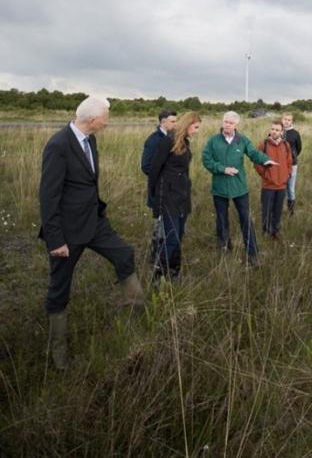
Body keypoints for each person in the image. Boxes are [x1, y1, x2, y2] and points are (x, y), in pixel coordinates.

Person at [38, 96, 144, 370]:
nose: (108, 120)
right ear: (93, 119)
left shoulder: (91, 139)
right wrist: (55, 239)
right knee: (59, 288)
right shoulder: (59, 145)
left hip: (95, 222)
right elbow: (48, 197)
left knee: (124, 254)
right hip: (67, 231)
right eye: (106, 116)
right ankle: (58, 353)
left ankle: (136, 313)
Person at [202, 111, 276, 266]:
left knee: (245, 218)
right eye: (225, 122)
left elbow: (254, 154)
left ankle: (252, 253)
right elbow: (206, 159)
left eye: (230, 123)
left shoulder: (242, 141)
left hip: (239, 187)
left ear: (236, 125)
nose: (227, 125)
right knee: (222, 219)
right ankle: (225, 248)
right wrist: (222, 169)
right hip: (220, 187)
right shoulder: (213, 141)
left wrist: (266, 160)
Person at [148, 111, 202, 285]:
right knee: (171, 238)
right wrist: (155, 198)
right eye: (196, 127)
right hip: (168, 197)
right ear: (187, 125)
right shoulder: (167, 141)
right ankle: (158, 277)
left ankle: (173, 272)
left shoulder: (184, 142)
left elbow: (183, 171)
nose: (197, 131)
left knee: (179, 235)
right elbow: (154, 170)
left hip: (182, 197)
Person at [141, 108, 177, 262]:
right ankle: (156, 259)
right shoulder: (154, 140)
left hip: (172, 191)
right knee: (160, 227)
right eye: (173, 121)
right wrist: (164, 178)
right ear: (163, 122)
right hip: (160, 191)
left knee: (168, 227)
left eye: (176, 121)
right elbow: (146, 166)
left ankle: (162, 256)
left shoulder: (172, 138)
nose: (176, 124)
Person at [255, 120, 292, 240]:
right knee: (266, 210)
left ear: (282, 132)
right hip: (268, 185)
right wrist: (266, 174)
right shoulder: (263, 144)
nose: (274, 132)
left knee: (278, 210)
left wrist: (287, 175)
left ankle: (275, 232)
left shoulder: (286, 145)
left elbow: (289, 162)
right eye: (272, 129)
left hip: (281, 185)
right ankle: (265, 231)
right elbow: (257, 162)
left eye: (277, 130)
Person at [282, 111, 302, 214]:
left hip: (292, 164)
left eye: (289, 120)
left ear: (291, 121)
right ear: (282, 120)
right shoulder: (277, 130)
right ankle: (278, 208)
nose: (286, 121)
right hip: (279, 165)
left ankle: (291, 211)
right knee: (280, 187)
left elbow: (299, 148)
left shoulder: (295, 133)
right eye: (285, 119)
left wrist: (292, 157)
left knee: (290, 188)